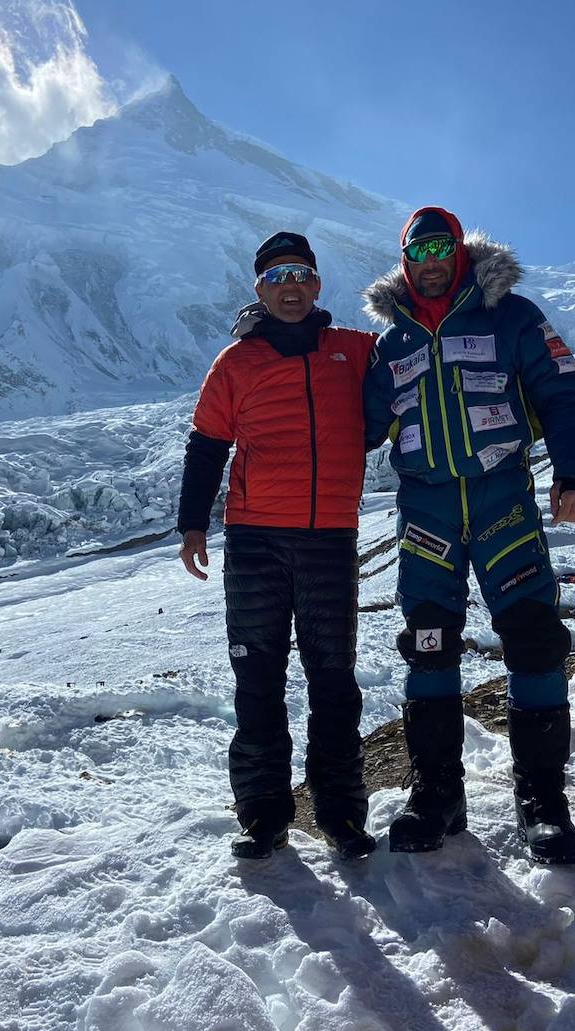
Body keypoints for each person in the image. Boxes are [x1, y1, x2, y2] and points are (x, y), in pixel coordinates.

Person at [362, 207, 575, 865]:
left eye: (442, 246)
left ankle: (543, 803)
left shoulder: (512, 315)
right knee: (429, 647)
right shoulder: (390, 346)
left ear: (460, 252)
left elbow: (563, 391)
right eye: (419, 250)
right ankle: (438, 797)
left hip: (504, 503)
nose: (432, 259)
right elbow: (356, 425)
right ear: (405, 262)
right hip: (427, 517)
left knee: (532, 639)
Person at [178, 232, 378, 861]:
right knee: (258, 681)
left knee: (334, 683)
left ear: (318, 284)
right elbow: (207, 444)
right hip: (256, 542)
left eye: (301, 275)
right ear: (259, 289)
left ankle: (341, 816)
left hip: (328, 540)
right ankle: (263, 816)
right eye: (276, 277)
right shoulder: (235, 364)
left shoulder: (355, 351)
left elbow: (422, 361)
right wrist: (192, 525)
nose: (290, 287)